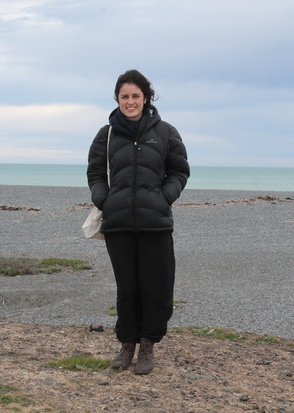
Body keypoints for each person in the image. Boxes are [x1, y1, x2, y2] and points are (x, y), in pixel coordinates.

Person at [87, 69, 190, 374]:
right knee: (127, 288)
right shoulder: (105, 135)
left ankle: (148, 345)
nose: (130, 102)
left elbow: (179, 172)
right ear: (117, 99)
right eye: (124, 96)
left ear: (146, 98)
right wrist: (104, 199)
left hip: (155, 222)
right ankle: (126, 345)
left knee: (155, 287)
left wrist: (163, 198)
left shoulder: (166, 132)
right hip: (118, 222)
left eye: (135, 96)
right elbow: (95, 174)